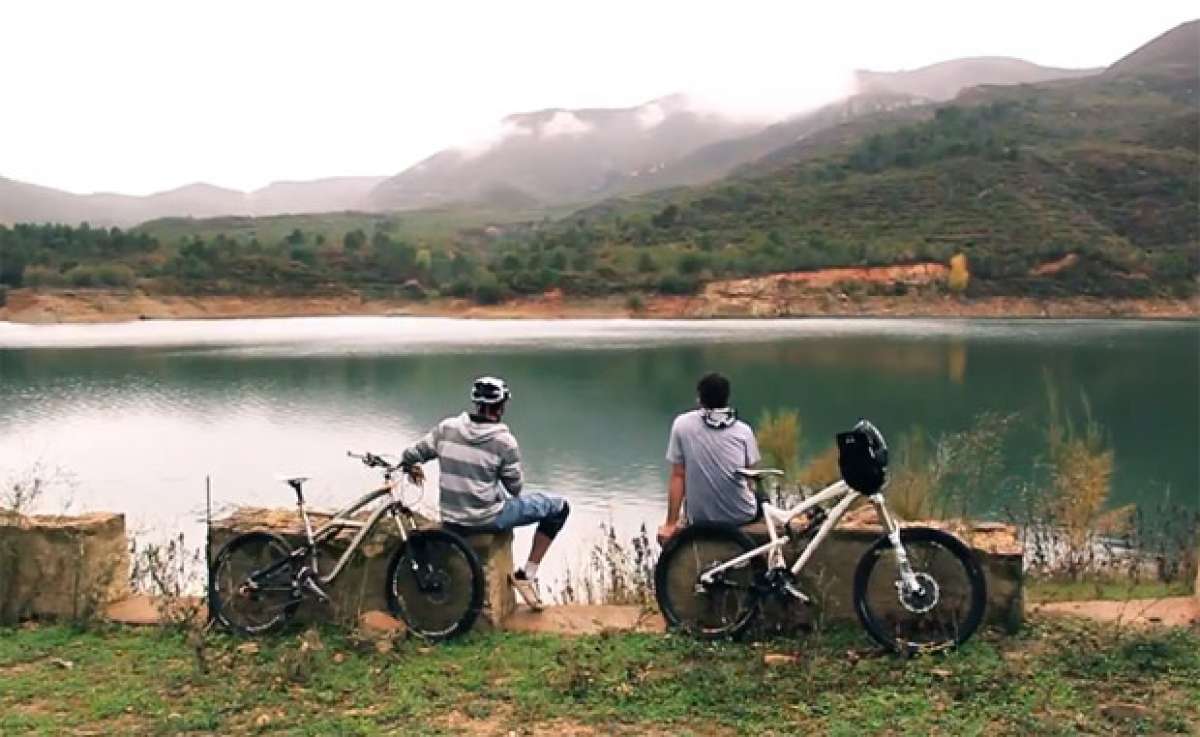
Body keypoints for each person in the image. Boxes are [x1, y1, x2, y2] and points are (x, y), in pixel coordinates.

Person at [400, 376, 569, 611]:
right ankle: (526, 574)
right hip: (485, 519)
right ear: (501, 406)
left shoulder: (446, 428)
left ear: (475, 403)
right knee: (559, 507)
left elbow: (412, 454)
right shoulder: (504, 442)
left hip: (452, 518)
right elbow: (515, 488)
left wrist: (411, 465)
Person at [657, 372, 761, 545]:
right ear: (727, 398)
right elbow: (751, 477)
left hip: (699, 518)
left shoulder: (682, 425)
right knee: (761, 497)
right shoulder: (744, 431)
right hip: (741, 515)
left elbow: (678, 476)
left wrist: (670, 524)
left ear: (699, 399)